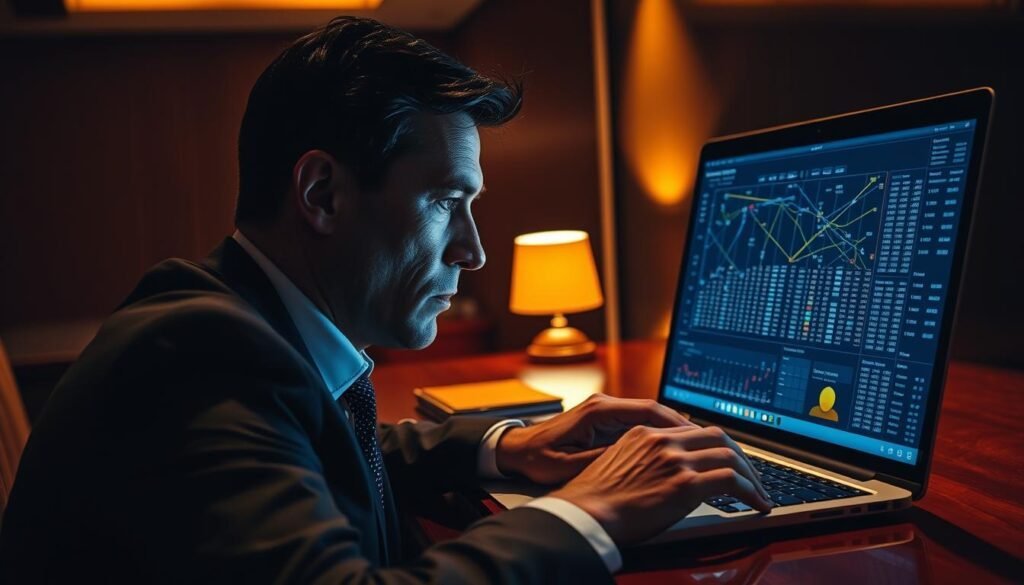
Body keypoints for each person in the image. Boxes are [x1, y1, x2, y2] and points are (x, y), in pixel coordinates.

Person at [0, 16, 772, 584]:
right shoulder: (200, 358)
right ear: (322, 193)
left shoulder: (232, 323)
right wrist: (590, 509)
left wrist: (504, 445)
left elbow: (322, 438)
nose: (472, 249)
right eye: (445, 201)